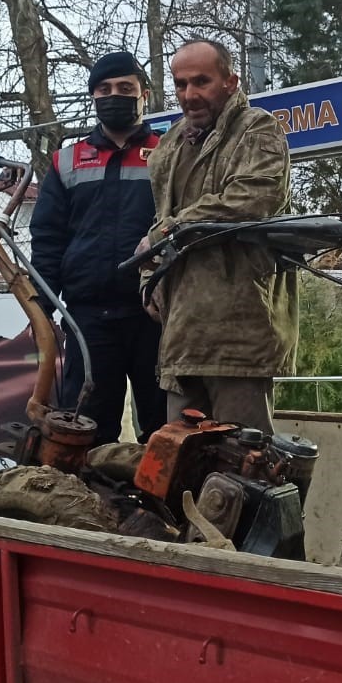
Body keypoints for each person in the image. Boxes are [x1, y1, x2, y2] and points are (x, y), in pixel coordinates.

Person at [140, 38, 296, 433]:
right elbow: (159, 222)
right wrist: (149, 278)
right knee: (180, 465)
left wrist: (167, 231)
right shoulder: (169, 145)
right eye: (180, 84)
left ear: (231, 81)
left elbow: (250, 200)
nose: (189, 94)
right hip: (181, 336)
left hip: (239, 331)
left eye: (201, 81)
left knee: (246, 465)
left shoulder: (258, 128)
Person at [30, 51, 167, 445]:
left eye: (125, 88)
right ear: (93, 96)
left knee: (163, 430)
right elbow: (48, 236)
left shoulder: (169, 155)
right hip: (89, 320)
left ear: (144, 94)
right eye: (104, 89)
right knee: (86, 429)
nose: (114, 96)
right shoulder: (66, 160)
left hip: (154, 315)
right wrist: (43, 301)